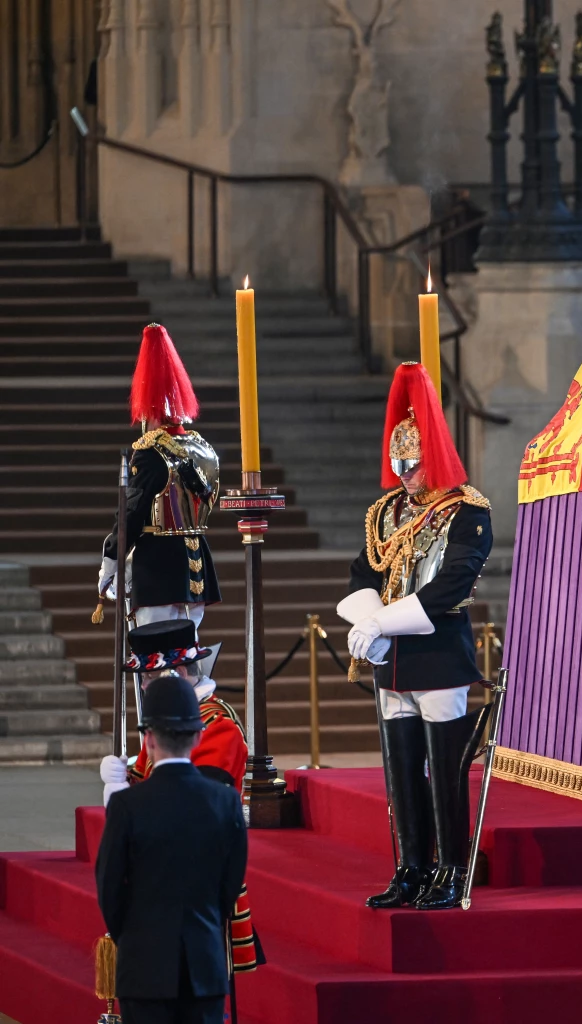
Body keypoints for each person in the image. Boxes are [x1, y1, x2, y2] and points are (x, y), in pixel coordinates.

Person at [339, 362, 493, 911]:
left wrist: (386, 619)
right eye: (399, 463)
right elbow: (365, 571)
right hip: (393, 657)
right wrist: (366, 617)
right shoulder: (386, 512)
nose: (405, 475)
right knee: (400, 769)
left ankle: (452, 867)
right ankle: (411, 866)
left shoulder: (466, 512)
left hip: (438, 652)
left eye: (414, 463)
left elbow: (452, 582)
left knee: (445, 771)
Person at [98, 618, 262, 973]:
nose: (142, 685)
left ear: (175, 676)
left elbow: (187, 806)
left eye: (147, 677)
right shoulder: (167, 724)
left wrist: (125, 799)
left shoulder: (217, 726)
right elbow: (148, 780)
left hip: (196, 884)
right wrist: (121, 778)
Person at [95, 673, 248, 1024]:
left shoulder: (128, 805)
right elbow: (229, 886)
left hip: (143, 967)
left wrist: (134, 937)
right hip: (204, 966)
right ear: (197, 736)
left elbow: (109, 888)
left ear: (148, 739)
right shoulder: (225, 801)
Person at [97, 323, 222, 689]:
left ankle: (158, 740)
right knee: (188, 656)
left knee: (155, 666)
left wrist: (111, 559)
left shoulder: (150, 451)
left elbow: (132, 512)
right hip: (195, 564)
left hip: (158, 566)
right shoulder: (204, 448)